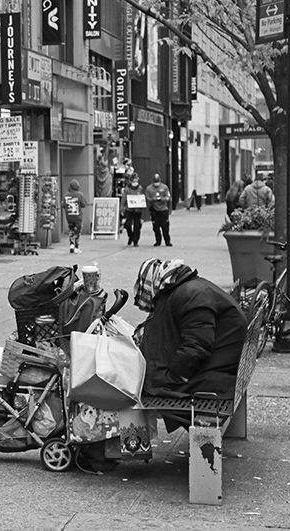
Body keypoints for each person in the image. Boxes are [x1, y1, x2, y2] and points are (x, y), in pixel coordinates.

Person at [133, 258, 247, 428]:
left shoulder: (190, 294)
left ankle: (132, 450)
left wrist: (172, 378)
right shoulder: (185, 288)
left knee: (128, 393)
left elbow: (197, 347)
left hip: (211, 378)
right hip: (218, 368)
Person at [145, 173, 172, 246]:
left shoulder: (164, 187)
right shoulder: (149, 188)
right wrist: (152, 200)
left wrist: (162, 199)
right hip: (154, 209)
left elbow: (168, 197)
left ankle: (167, 241)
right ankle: (158, 240)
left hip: (163, 209)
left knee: (165, 226)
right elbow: (147, 198)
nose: (156, 184)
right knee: (156, 226)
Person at [62, 179, 87, 254]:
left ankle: (71, 244)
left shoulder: (66, 195)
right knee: (77, 232)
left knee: (71, 230)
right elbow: (84, 204)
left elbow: (63, 205)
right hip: (78, 217)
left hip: (69, 217)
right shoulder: (80, 195)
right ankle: (76, 246)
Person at [120, 169, 144, 247]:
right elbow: (123, 200)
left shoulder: (140, 188)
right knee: (127, 225)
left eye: (136, 181)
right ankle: (131, 236)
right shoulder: (127, 189)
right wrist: (122, 209)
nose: (135, 183)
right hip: (129, 210)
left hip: (137, 210)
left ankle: (135, 241)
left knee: (137, 226)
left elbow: (141, 198)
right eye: (133, 181)